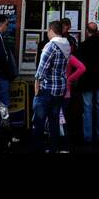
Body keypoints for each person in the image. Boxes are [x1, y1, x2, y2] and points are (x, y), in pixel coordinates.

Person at [32, 19, 70, 154]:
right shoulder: (67, 45)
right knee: (54, 121)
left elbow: (41, 70)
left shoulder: (51, 46)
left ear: (51, 30)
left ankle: (38, 149)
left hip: (47, 89)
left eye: (48, 31)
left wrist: (36, 88)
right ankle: (54, 148)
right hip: (60, 88)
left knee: (39, 122)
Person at [78, 22, 99, 144]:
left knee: (87, 108)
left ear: (87, 31)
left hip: (87, 81)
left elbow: (79, 65)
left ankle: (88, 137)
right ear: (97, 30)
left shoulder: (83, 45)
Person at [0, 12, 17, 109]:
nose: (7, 27)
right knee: (3, 105)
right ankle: (3, 123)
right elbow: (4, 58)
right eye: (6, 24)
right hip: (1, 76)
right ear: (0, 24)